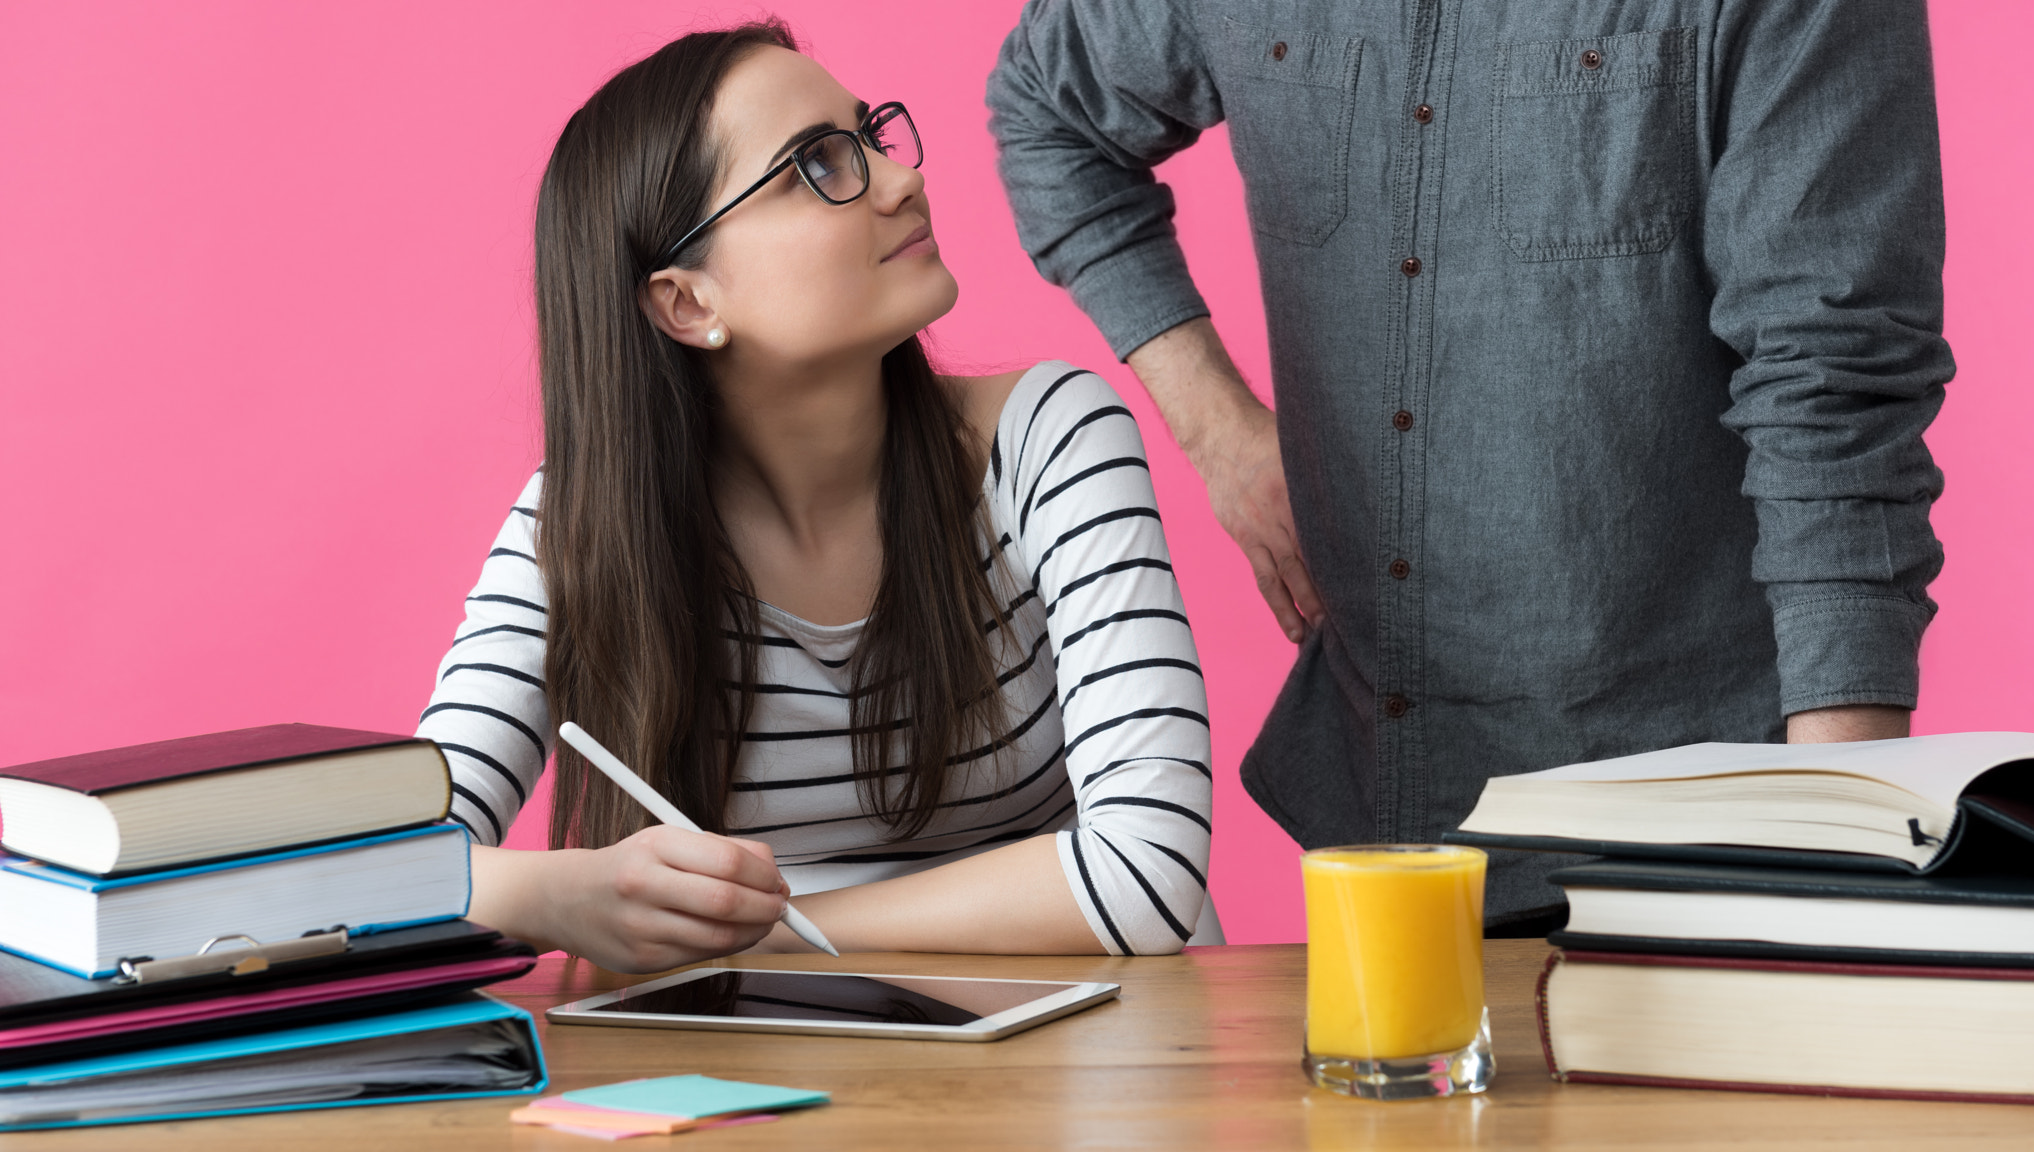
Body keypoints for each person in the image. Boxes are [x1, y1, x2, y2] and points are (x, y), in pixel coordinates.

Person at [986, 0, 1952, 931]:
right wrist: (1216, 427)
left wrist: (1840, 858)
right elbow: (1046, 104)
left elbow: (1833, 382)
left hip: (1703, 829)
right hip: (1383, 830)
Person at [416, 21, 1215, 972]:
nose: (900, 179)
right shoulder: (582, 527)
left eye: (870, 137)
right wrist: (561, 895)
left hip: (1088, 1041)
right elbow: (376, 873)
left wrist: (764, 929)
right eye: (816, 166)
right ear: (688, 303)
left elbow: (1149, 874)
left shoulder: (1049, 440)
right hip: (769, 1062)